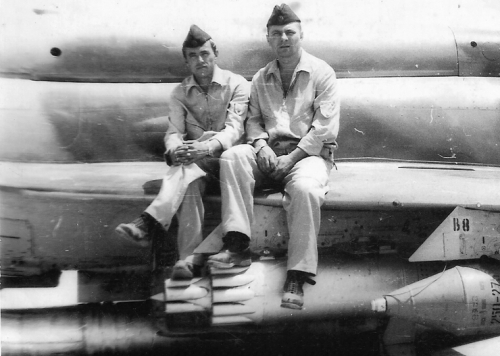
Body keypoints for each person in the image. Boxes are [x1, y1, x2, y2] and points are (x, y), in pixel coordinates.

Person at [208, 4, 340, 310]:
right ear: (268, 38)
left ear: (301, 34)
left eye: (289, 32)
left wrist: (291, 158)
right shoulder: (260, 77)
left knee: (306, 190)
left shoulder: (322, 73)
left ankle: (297, 273)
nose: (284, 38)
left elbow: (324, 129)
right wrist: (261, 146)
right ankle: (237, 244)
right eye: (277, 33)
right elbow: (253, 120)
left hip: (308, 156)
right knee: (232, 157)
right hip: (269, 153)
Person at [115, 25, 249, 280]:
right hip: (196, 166)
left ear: (215, 53)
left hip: (230, 165)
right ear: (186, 60)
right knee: (188, 179)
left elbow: (234, 130)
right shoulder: (179, 94)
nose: (200, 60)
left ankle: (148, 222)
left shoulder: (237, 84)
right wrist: (175, 150)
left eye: (204, 53)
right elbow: (173, 132)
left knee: (188, 169)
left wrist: (204, 147)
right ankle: (187, 261)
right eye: (192, 55)